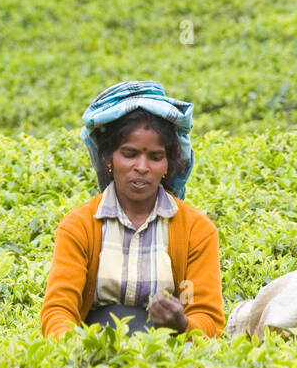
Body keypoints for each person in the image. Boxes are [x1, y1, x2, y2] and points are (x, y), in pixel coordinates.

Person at [40, 81, 224, 339]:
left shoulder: (196, 231)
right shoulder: (79, 227)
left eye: (155, 157)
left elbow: (208, 319)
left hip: (168, 356)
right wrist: (75, 349)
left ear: (168, 164)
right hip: (96, 356)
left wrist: (182, 324)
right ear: (109, 159)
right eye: (129, 153)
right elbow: (59, 310)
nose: (142, 166)